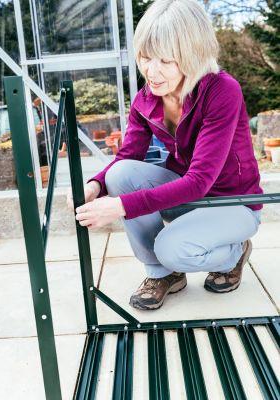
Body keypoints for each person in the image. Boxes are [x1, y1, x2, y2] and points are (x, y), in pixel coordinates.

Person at [67, 0, 263, 311]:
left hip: (232, 201)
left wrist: (118, 207)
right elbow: (127, 157)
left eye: (166, 60)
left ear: (193, 55)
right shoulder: (147, 99)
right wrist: (95, 186)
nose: (151, 71)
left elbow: (199, 182)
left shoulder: (222, 91)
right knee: (121, 175)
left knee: (171, 247)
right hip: (188, 196)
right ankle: (163, 274)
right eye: (145, 58)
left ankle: (234, 252)